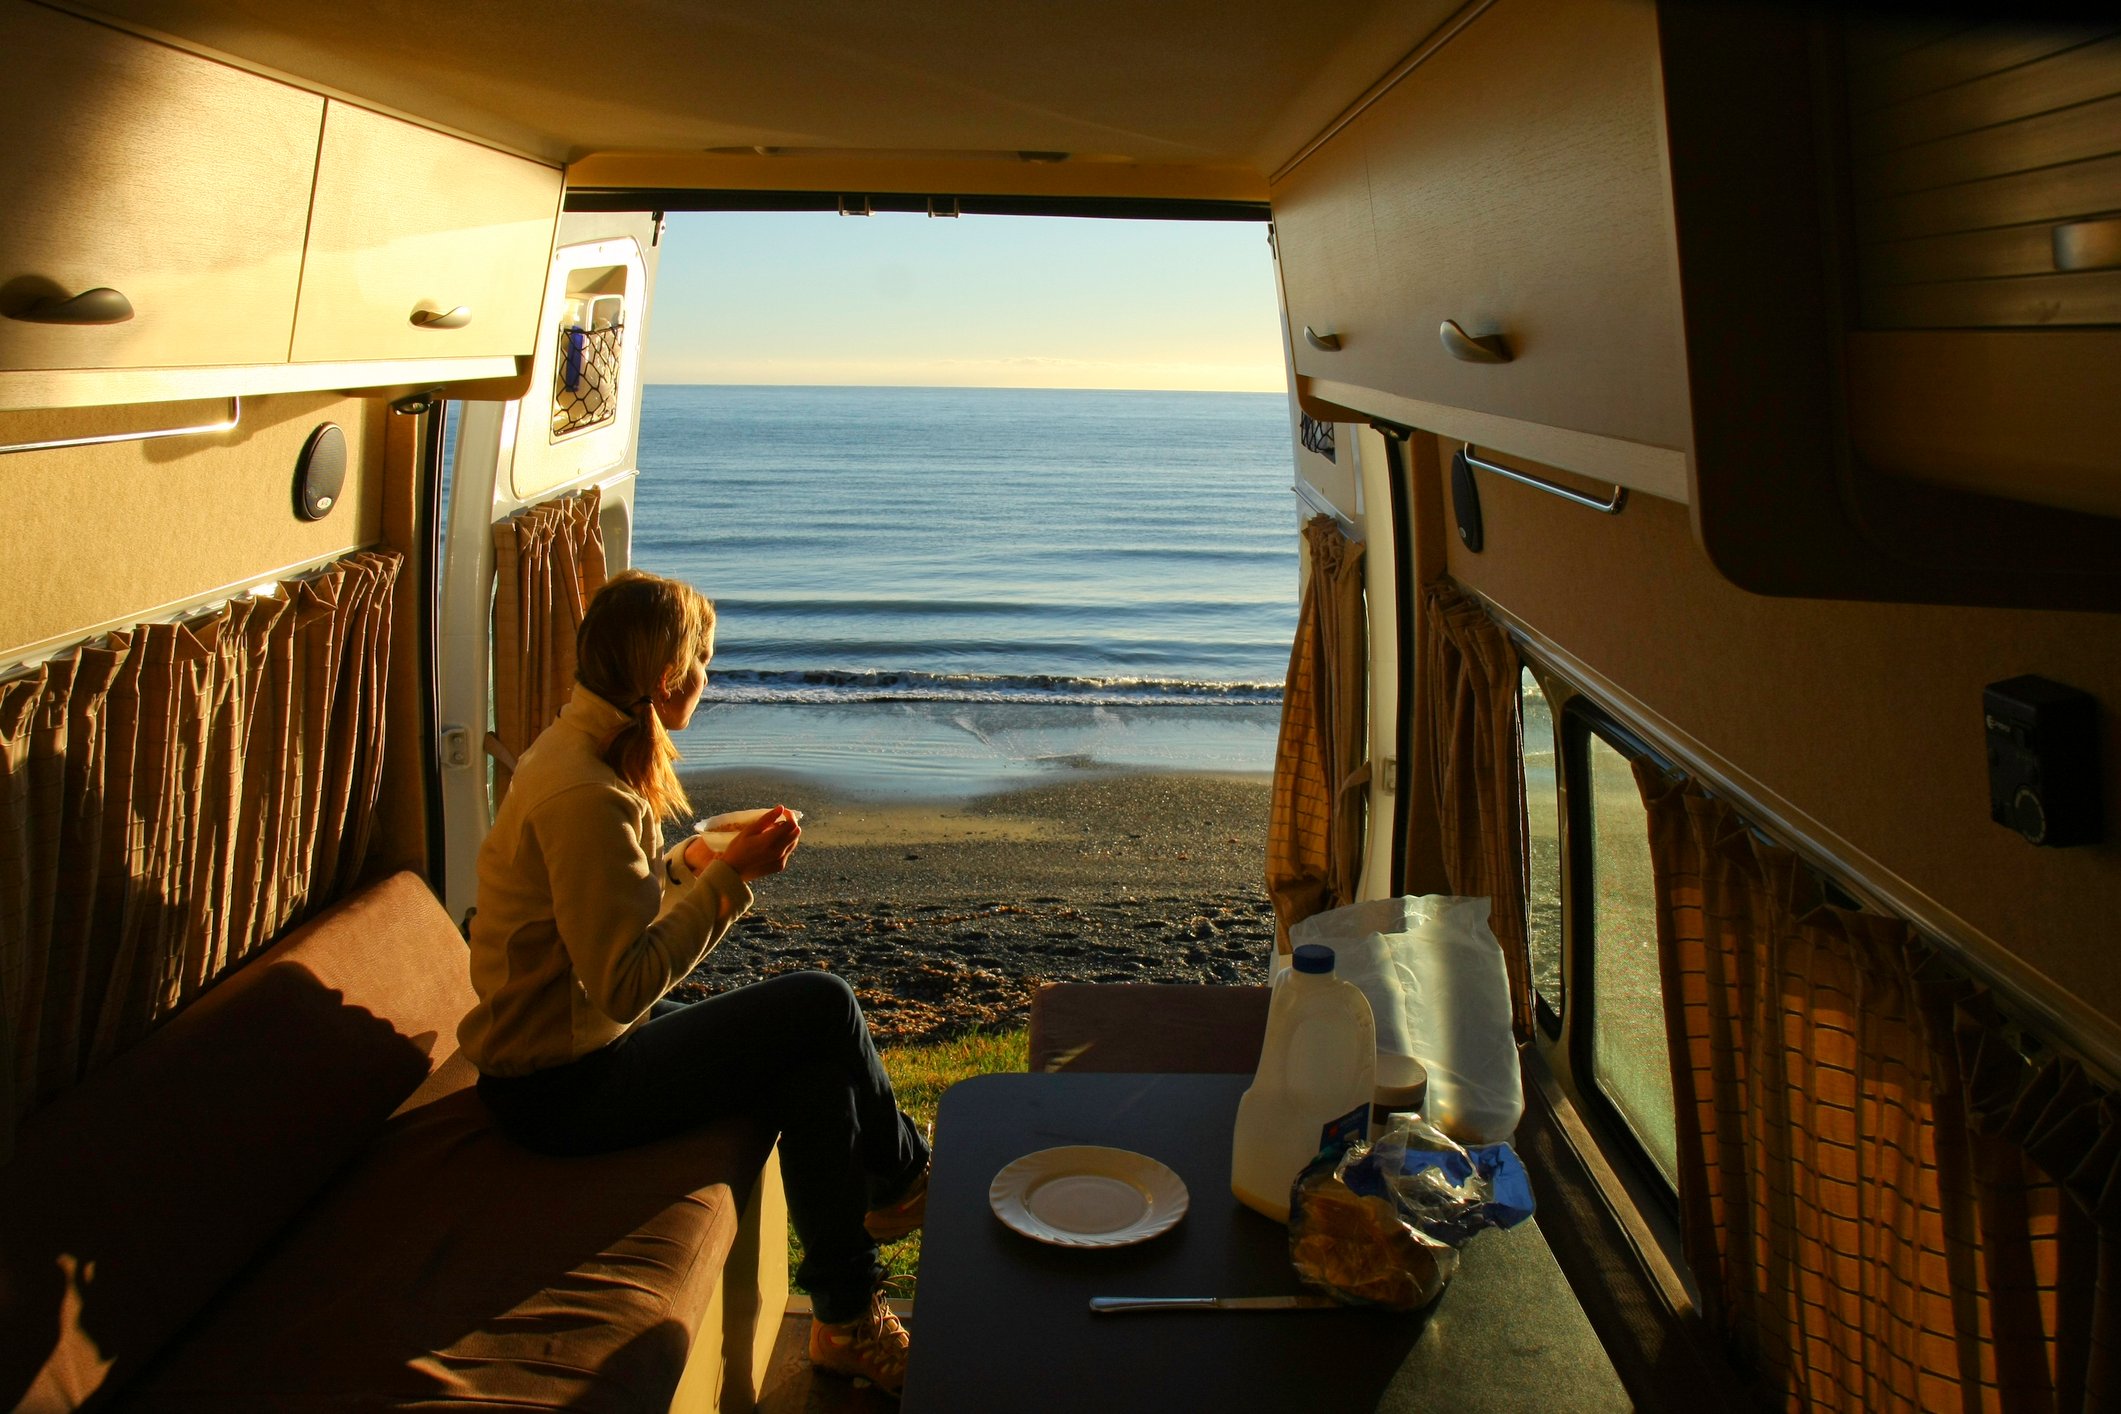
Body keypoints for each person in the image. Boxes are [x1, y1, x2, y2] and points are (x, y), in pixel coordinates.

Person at [458, 568, 930, 1395]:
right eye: (704, 660)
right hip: (560, 1088)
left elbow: (605, 911)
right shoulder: (585, 791)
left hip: (577, 1046)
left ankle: (845, 1319)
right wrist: (729, 881)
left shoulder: (581, 747)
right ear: (670, 677)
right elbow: (621, 984)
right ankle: (901, 1181)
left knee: (812, 1070)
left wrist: (688, 861)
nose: (710, 676)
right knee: (822, 1002)